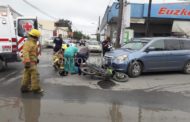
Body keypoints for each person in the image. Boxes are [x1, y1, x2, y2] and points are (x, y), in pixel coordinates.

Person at [21, 29, 43, 93]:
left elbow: (33, 52)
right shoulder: (29, 43)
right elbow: (25, 52)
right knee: (35, 75)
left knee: (27, 75)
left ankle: (24, 88)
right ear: (35, 36)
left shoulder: (32, 42)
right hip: (30, 62)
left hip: (31, 61)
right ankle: (36, 89)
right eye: (38, 37)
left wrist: (36, 59)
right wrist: (27, 62)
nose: (38, 38)